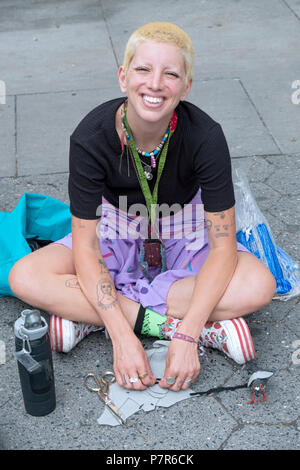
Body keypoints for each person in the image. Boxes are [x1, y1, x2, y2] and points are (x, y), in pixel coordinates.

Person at [8, 22, 276, 392]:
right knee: (24, 276)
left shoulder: (206, 135)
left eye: (171, 74)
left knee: (260, 284)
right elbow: (86, 247)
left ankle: (88, 315)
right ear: (123, 77)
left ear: (186, 87)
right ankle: (173, 325)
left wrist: (187, 338)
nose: (155, 83)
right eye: (143, 69)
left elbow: (223, 247)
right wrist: (123, 337)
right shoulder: (89, 137)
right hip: (116, 224)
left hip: (185, 224)